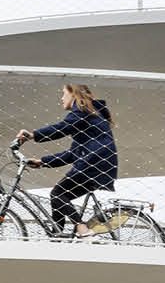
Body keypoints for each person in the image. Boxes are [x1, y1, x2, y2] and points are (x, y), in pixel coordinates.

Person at [16, 84, 120, 237]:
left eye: (64, 93)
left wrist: (33, 135)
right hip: (99, 165)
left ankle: (82, 229)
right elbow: (72, 154)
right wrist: (43, 162)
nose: (61, 98)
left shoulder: (81, 111)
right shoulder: (89, 115)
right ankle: (57, 236)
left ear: (74, 94)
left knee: (57, 194)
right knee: (59, 197)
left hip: (93, 163)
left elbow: (62, 128)